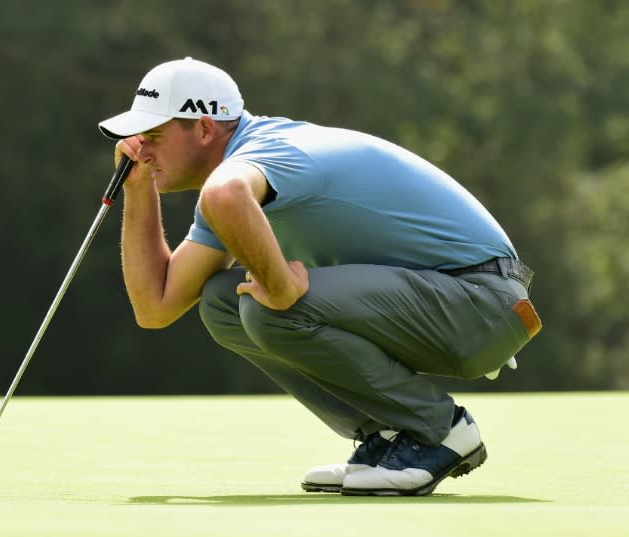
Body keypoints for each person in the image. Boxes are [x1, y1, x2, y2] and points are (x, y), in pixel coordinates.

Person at [98, 57, 542, 496]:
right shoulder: (236, 185)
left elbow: (225, 193)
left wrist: (281, 286)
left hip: (484, 300)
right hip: (446, 303)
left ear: (205, 128)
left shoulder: (264, 156)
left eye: (154, 135)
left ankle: (440, 431)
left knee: (269, 304)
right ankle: (388, 434)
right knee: (223, 301)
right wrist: (137, 191)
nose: (142, 148)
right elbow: (155, 307)